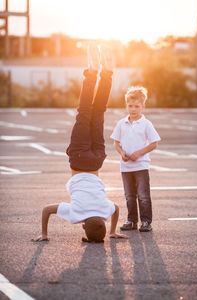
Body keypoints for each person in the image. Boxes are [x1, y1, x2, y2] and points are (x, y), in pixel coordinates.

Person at [32, 43, 127, 243]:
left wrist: (112, 230)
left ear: (102, 220)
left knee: (99, 112)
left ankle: (107, 73)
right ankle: (91, 72)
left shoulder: (105, 210)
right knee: (84, 112)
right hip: (79, 158)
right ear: (82, 226)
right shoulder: (76, 214)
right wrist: (44, 234)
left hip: (97, 161)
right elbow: (47, 210)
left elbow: (116, 209)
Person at [110, 86, 161, 232]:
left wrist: (139, 153)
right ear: (126, 105)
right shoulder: (121, 123)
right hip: (126, 167)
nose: (133, 109)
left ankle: (146, 222)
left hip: (141, 166)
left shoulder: (146, 124)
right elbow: (116, 143)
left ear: (143, 107)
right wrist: (121, 153)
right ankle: (132, 220)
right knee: (129, 196)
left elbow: (154, 143)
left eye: (136, 106)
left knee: (143, 196)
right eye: (130, 106)